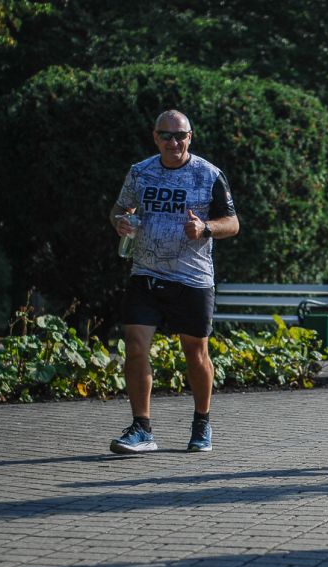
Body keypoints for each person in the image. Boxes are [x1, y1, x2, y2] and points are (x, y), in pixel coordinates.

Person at [108, 110, 240, 455]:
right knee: (135, 346)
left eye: (180, 135)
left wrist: (206, 228)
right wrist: (121, 222)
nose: (174, 142)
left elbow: (233, 223)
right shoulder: (140, 172)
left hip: (192, 277)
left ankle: (202, 422)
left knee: (195, 353)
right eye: (166, 135)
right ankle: (142, 428)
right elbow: (119, 209)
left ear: (190, 137)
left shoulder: (209, 174)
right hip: (146, 273)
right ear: (155, 138)